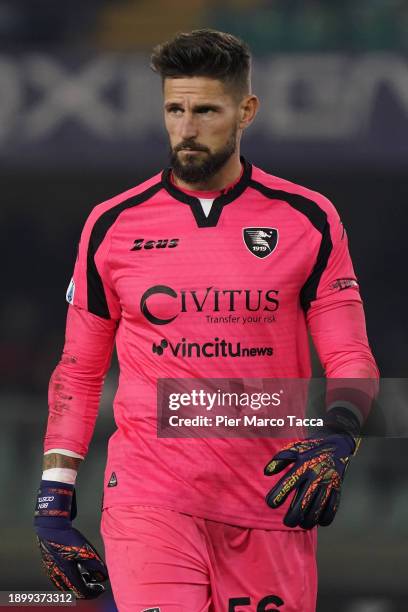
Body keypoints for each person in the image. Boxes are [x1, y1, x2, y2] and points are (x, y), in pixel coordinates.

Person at [34, 29, 378, 612]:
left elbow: (351, 356)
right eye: (174, 109)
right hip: (150, 496)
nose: (186, 128)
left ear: (246, 111)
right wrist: (53, 500)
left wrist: (340, 434)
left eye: (206, 111)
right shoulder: (111, 225)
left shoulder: (309, 219)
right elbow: (78, 369)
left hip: (272, 498)